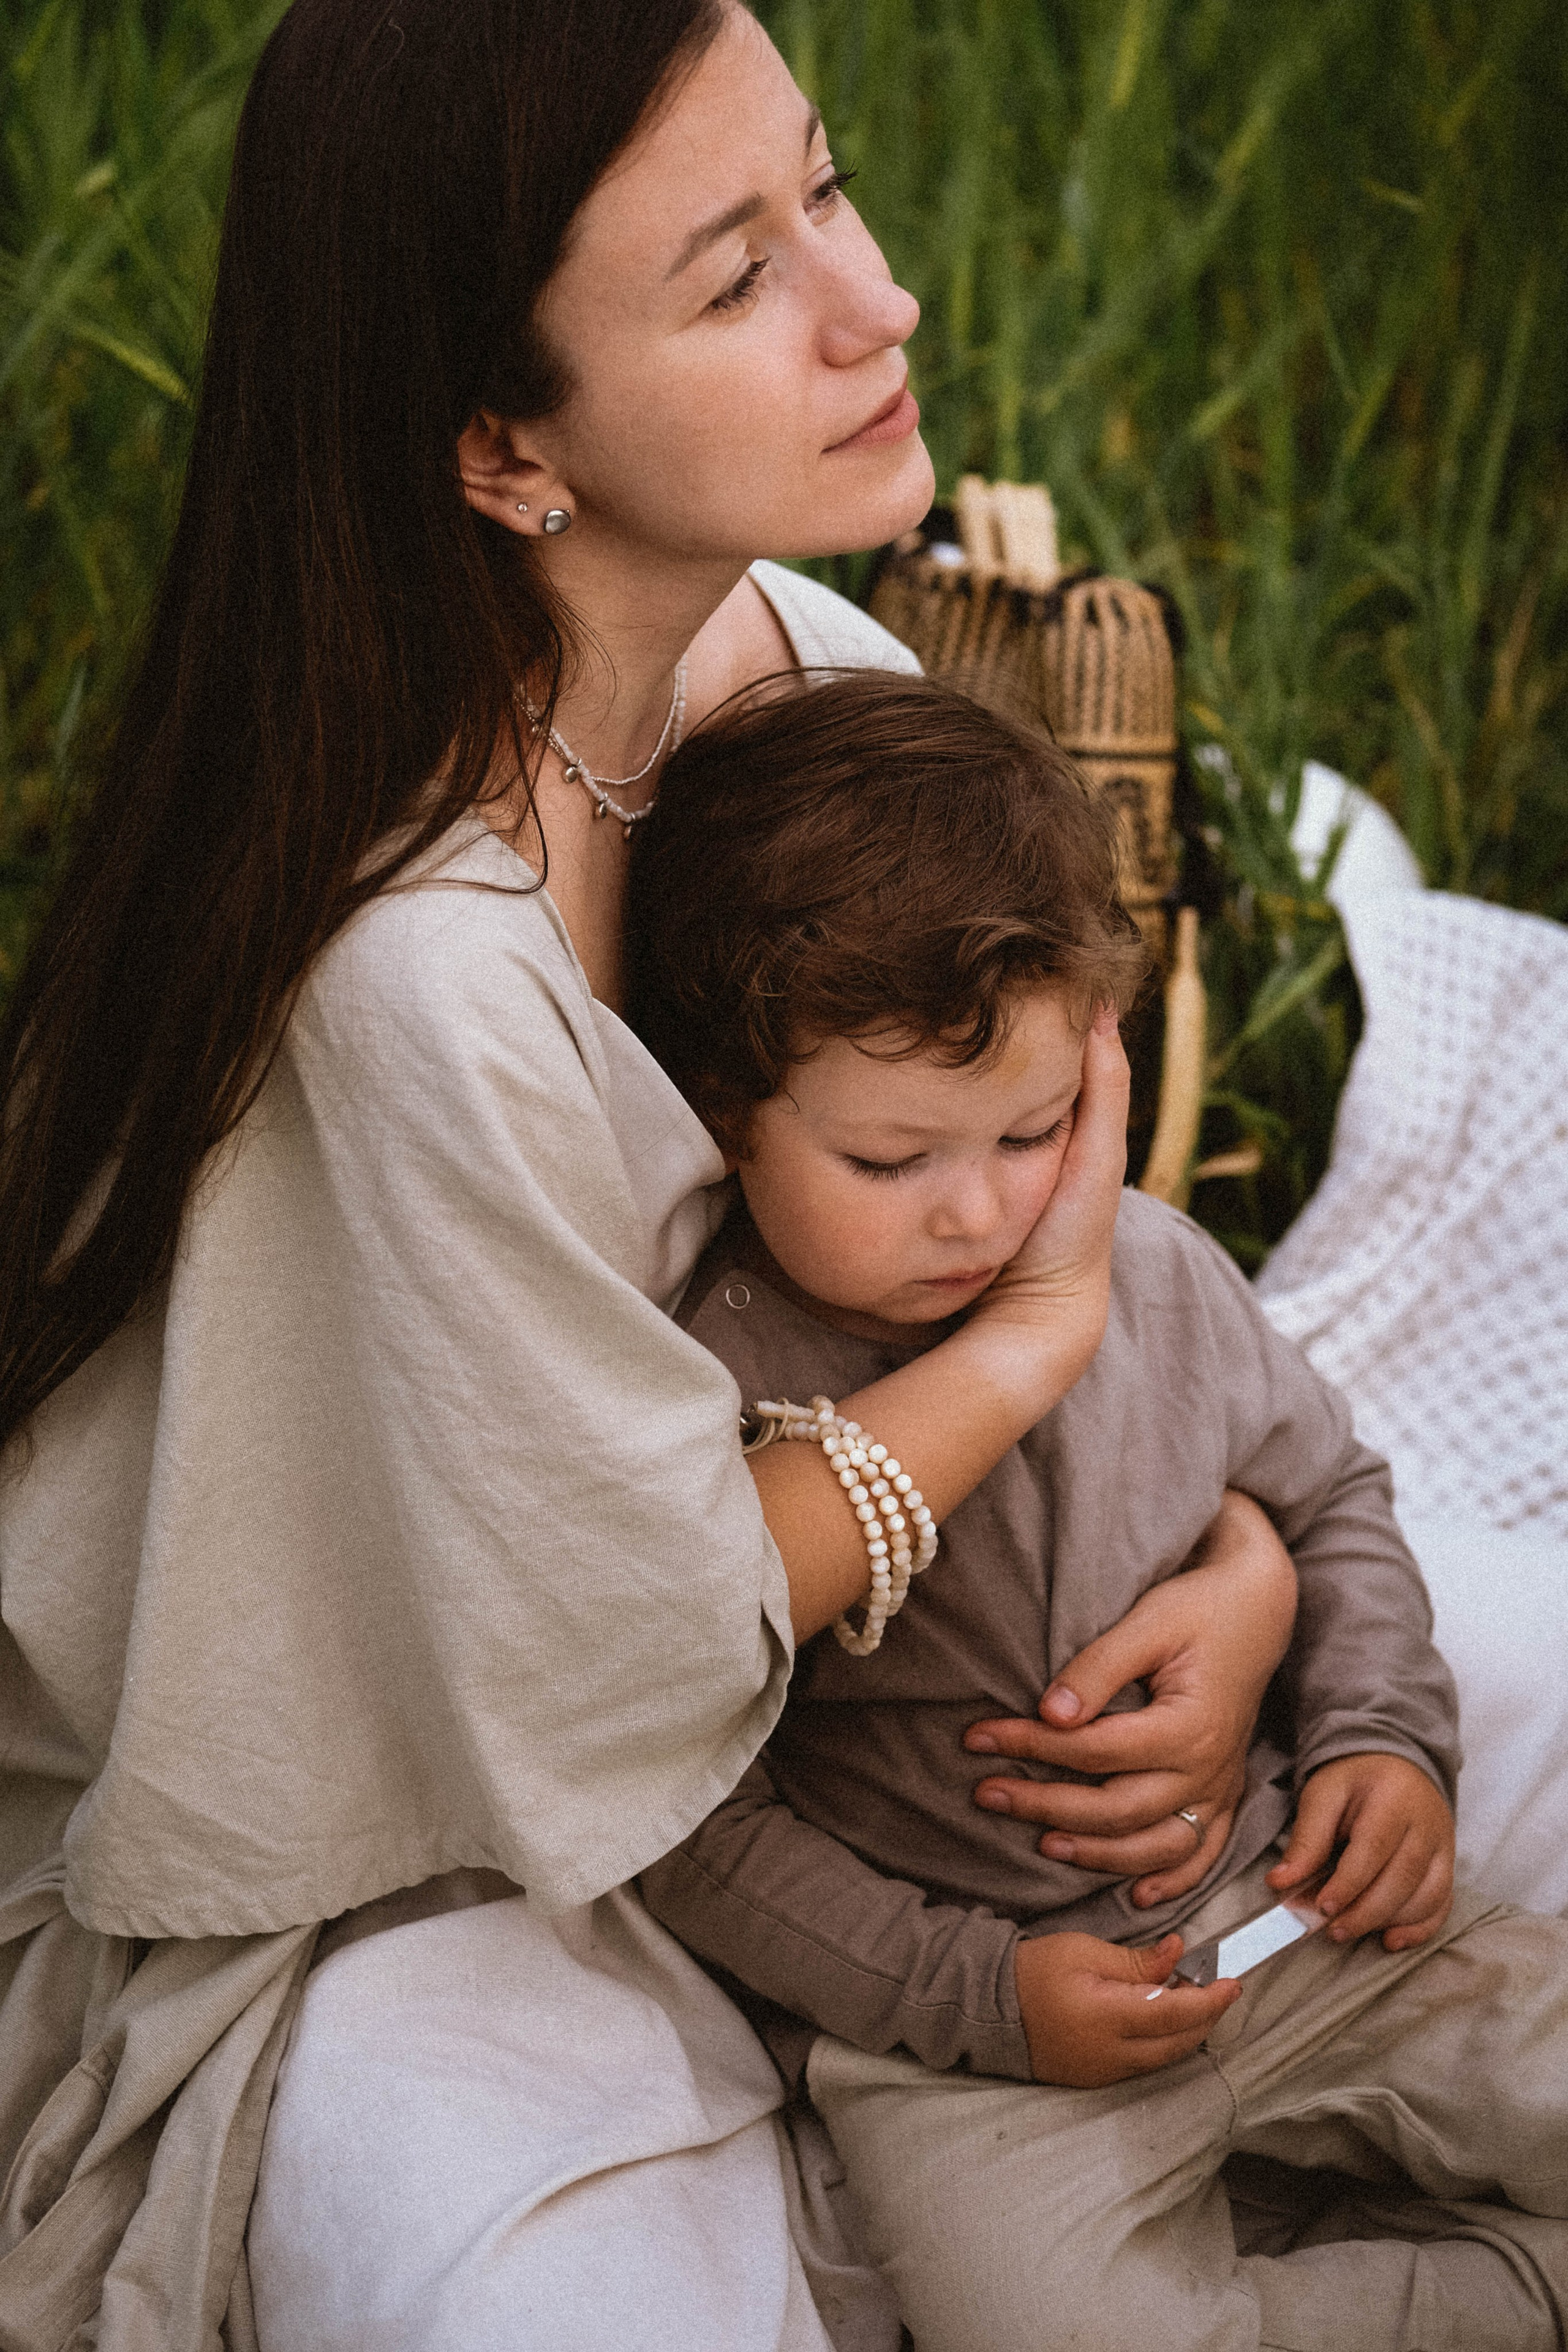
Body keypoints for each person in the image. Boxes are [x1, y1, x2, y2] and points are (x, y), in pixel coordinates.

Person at [0, 6, 1297, 2346]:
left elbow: (990, 1180)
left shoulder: (783, 656)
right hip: (426, 1851)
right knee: (550, 2292)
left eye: (830, 183)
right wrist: (1034, 1347)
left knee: (1508, 1706)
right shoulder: (421, 973)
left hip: (850, 1706)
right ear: (503, 446)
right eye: (738, 275)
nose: (879, 298)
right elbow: (638, 1650)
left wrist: (1250, 1572)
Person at [629, 671, 1568, 2352]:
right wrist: (976, 1997)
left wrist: (1382, 1741)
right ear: (723, 1111)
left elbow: (1336, 1499)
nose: (979, 1212)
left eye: (1037, 1128)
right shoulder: (716, 1404)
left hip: (1295, 1908)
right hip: (979, 2053)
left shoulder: (1154, 1273)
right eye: (891, 1161)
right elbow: (688, 1818)